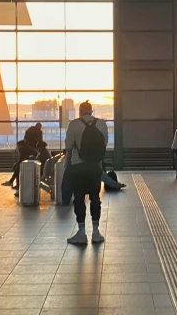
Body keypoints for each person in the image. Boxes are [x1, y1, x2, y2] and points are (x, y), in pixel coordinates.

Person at [66, 100, 108, 245]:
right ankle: (96, 232)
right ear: (91, 111)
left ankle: (81, 233)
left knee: (79, 198)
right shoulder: (101, 123)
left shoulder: (74, 124)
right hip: (95, 166)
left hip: (78, 166)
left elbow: (68, 146)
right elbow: (104, 144)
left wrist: (68, 166)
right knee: (95, 197)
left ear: (80, 111)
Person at [3, 123, 42, 191]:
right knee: (18, 167)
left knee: (18, 167)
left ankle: (15, 183)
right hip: (36, 164)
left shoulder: (25, 148)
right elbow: (40, 141)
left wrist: (17, 163)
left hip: (31, 165)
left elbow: (21, 159)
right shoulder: (34, 148)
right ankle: (13, 182)